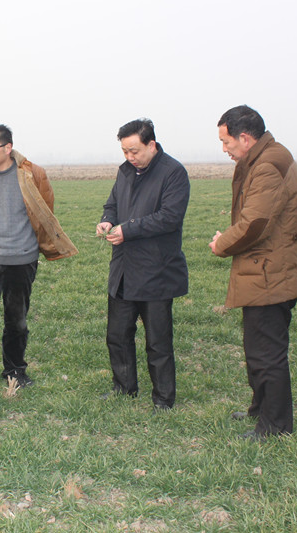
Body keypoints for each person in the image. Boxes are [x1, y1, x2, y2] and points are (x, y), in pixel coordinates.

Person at [209, 105, 297, 440]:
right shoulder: (265, 158)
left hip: (271, 273)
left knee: (266, 352)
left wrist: (221, 243)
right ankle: (260, 409)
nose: (224, 149)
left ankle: (274, 426)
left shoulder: (268, 165)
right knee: (257, 346)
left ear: (245, 138)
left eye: (226, 142)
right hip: (270, 269)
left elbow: (254, 224)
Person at [0, 123, 78, 406]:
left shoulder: (34, 174)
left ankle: (15, 372)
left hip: (22, 260)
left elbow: (45, 211)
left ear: (8, 148)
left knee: (17, 321)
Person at [96, 118, 190, 410]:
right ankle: (124, 388)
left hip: (157, 271)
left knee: (158, 341)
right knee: (117, 335)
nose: (129, 157)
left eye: (134, 151)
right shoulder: (125, 172)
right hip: (124, 269)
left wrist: (128, 230)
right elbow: (112, 204)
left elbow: (169, 217)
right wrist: (107, 220)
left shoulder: (173, 173)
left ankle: (163, 398)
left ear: (152, 145)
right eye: (125, 151)